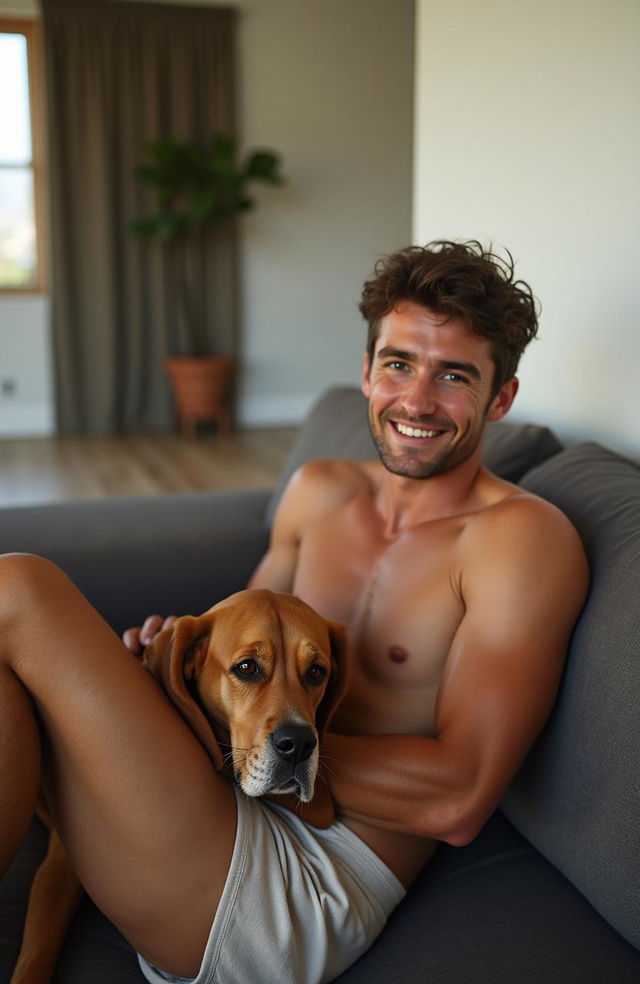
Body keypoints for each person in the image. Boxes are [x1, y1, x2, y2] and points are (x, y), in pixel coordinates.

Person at [0, 241, 588, 984]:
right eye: (399, 364)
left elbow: (459, 797)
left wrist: (238, 739)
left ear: (500, 399)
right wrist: (168, 665)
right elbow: (243, 661)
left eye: (455, 377)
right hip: (223, 818)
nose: (416, 400)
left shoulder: (521, 540)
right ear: (368, 370)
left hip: (302, 885)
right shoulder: (318, 490)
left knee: (17, 589)